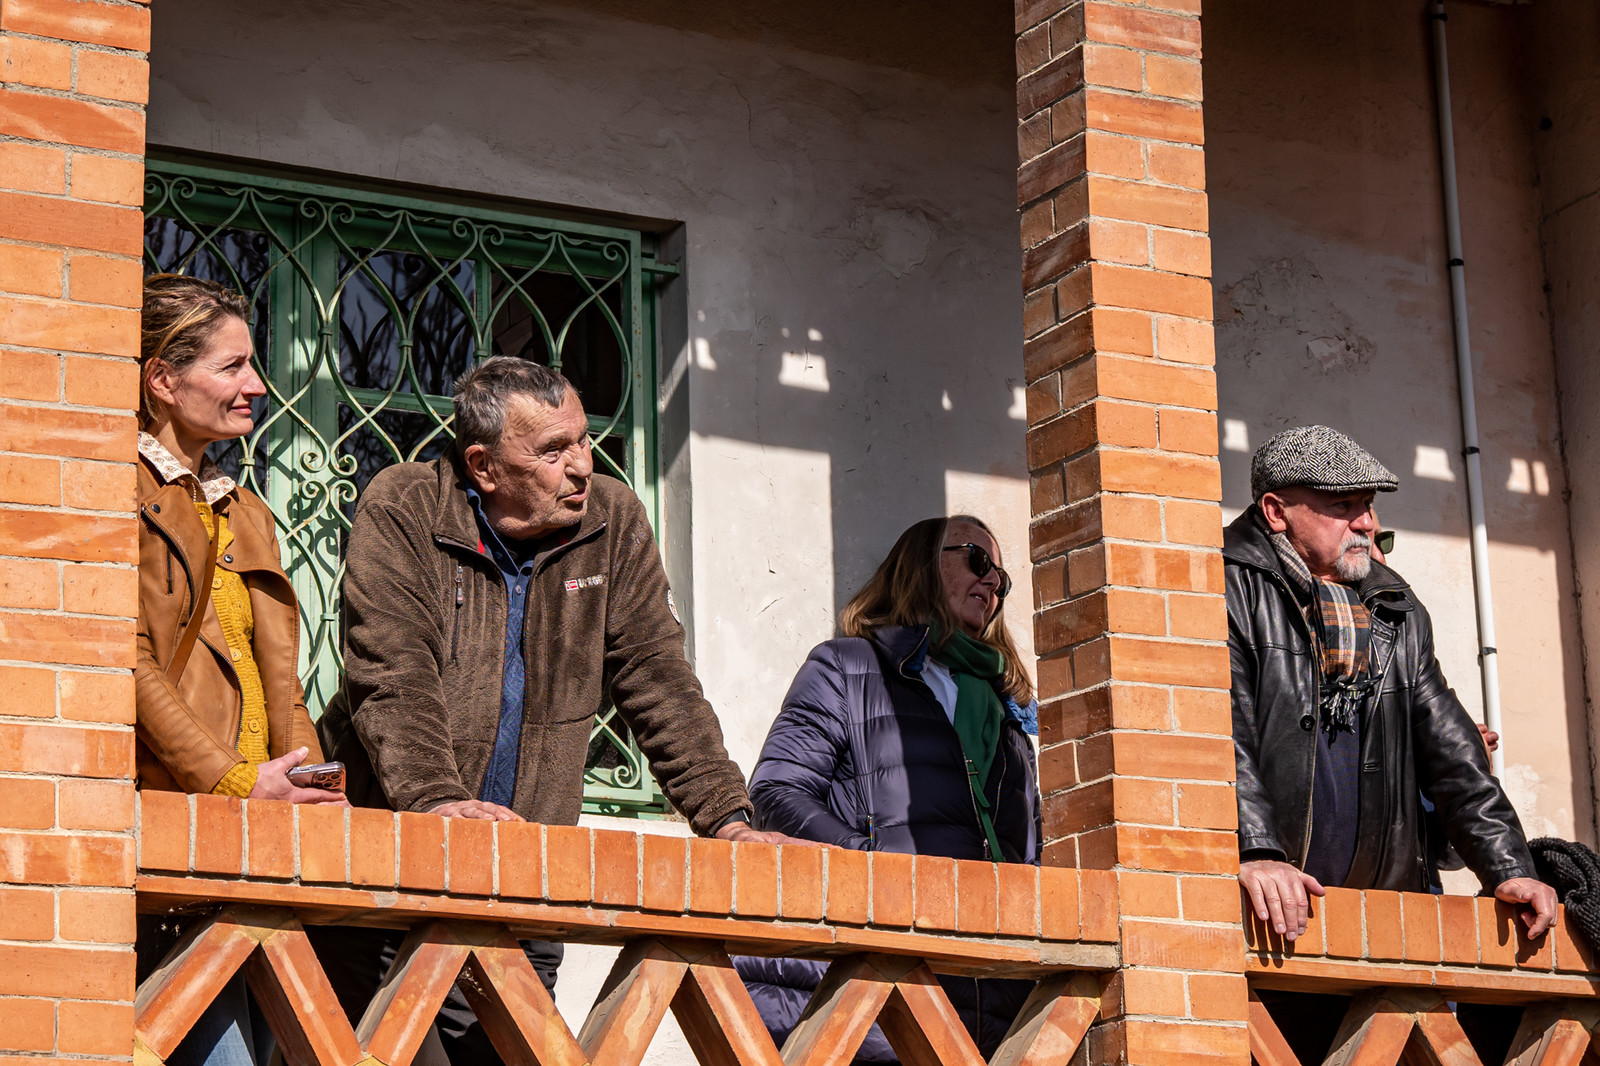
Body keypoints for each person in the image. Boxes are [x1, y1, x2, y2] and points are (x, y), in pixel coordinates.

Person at [317, 355, 799, 1062]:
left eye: (581, 438)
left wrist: (727, 819)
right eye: (552, 450)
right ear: (482, 465)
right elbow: (391, 672)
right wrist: (438, 801)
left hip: (525, 887)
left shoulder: (612, 518)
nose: (581, 465)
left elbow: (655, 674)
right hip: (393, 881)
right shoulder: (406, 506)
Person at [1227, 425, 1556, 944]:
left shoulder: (1396, 608)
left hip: (1386, 919)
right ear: (1275, 511)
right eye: (1342, 504)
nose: (1364, 522)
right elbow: (1222, 735)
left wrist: (1508, 868)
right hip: (1264, 910)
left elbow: (1452, 755)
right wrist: (1258, 851)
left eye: (1367, 503)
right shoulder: (1222, 589)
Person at [134, 274, 347, 1066]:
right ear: (162, 379)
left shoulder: (242, 507)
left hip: (262, 854)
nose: (256, 385)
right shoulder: (119, 490)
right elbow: (129, 662)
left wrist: (316, 783)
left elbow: (279, 682)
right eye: (231, 367)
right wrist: (230, 781)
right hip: (180, 857)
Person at [736, 516, 1041, 1060]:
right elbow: (779, 795)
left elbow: (1031, 849)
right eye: (977, 559)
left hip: (987, 997)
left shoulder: (1010, 713)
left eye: (1001, 576)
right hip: (862, 983)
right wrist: (876, 868)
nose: (993, 581)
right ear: (921, 564)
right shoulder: (847, 667)